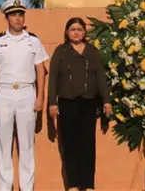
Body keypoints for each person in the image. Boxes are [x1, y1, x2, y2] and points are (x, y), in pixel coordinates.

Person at [0, 0, 49, 191]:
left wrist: (40, 97)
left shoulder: (33, 41)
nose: (17, 18)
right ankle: (5, 187)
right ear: (7, 18)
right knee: (4, 145)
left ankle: (27, 187)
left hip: (27, 92)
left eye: (20, 14)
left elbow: (41, 70)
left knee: (26, 144)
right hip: (3, 92)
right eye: (13, 14)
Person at [47, 17, 113, 191]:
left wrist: (106, 100)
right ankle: (73, 185)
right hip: (67, 102)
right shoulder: (61, 51)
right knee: (69, 145)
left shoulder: (92, 51)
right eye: (73, 29)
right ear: (67, 32)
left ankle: (88, 184)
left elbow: (100, 77)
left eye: (79, 29)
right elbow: (53, 77)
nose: (76, 32)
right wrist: (52, 102)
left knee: (87, 144)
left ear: (84, 32)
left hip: (87, 102)